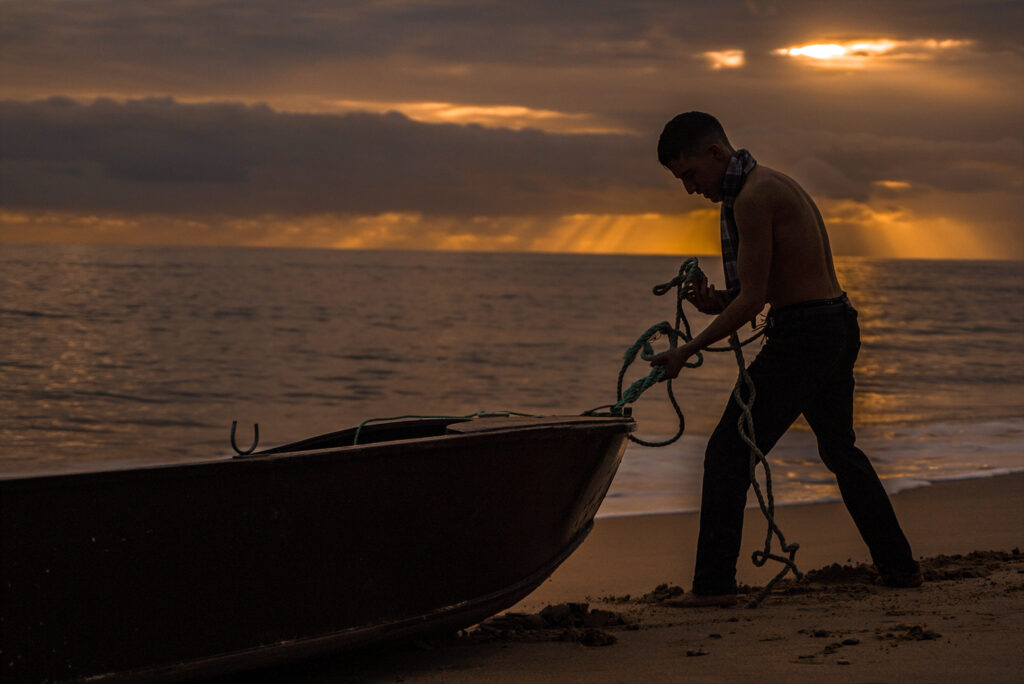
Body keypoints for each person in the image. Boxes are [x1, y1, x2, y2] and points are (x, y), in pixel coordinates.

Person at [651, 112, 921, 607]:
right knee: (841, 452)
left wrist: (687, 350)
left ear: (714, 154)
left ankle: (713, 589)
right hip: (834, 322)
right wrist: (712, 302)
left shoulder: (753, 198)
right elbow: (764, 288)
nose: (690, 189)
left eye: (689, 175)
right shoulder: (772, 184)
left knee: (728, 455)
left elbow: (753, 299)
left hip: (805, 336)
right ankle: (900, 567)